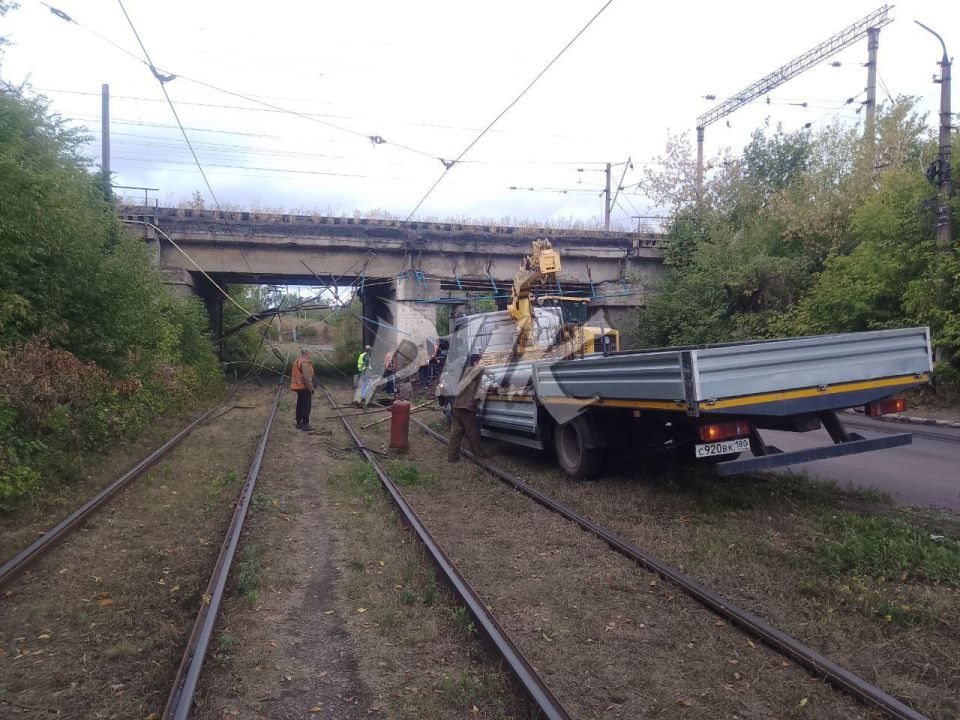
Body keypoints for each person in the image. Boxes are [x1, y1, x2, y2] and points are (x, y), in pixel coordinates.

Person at [447, 353, 488, 462]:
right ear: (475, 363)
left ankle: (452, 457)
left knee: (455, 434)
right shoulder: (474, 371)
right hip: (467, 409)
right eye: (482, 363)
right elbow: (479, 373)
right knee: (473, 433)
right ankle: (479, 455)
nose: (483, 365)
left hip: (457, 407)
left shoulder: (465, 373)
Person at [290, 347, 316, 431]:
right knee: (306, 406)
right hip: (304, 387)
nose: (311, 355)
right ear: (307, 353)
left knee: (300, 404)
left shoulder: (298, 360)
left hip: (298, 387)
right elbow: (306, 377)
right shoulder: (304, 362)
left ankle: (298, 423)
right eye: (310, 353)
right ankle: (305, 424)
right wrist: (310, 388)